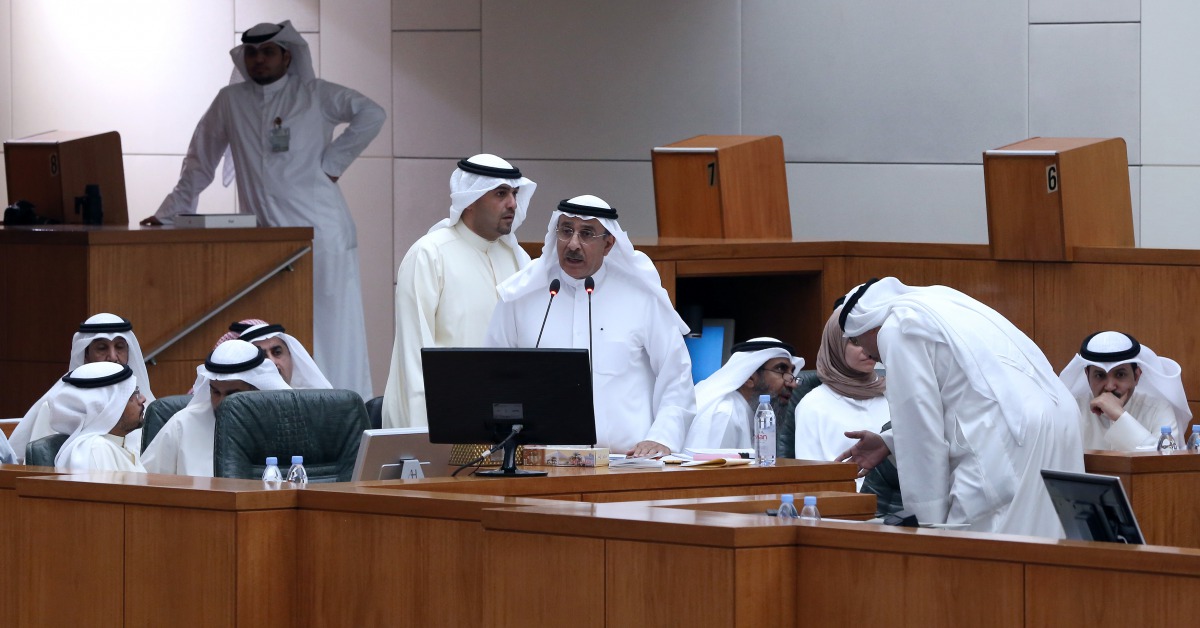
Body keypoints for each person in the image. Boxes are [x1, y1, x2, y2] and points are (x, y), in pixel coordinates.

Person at [143, 20, 385, 399]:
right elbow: (200, 159)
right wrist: (172, 211)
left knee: (334, 331)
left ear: (287, 55)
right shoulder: (230, 101)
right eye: (252, 53)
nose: (259, 60)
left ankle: (344, 409)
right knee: (277, 337)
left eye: (268, 52)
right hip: (267, 240)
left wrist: (332, 164)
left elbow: (371, 113)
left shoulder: (314, 94)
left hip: (323, 233)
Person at [835, 277, 1084, 538]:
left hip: (1010, 440)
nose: (865, 352)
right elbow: (967, 392)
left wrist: (927, 528)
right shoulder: (943, 302)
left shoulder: (897, 328)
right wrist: (889, 442)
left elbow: (920, 435)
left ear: (869, 327)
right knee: (1046, 546)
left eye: (856, 339)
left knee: (982, 556)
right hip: (1059, 422)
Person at [486, 195, 696, 457]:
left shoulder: (642, 298)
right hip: (539, 464)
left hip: (625, 465)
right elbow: (494, 376)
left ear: (608, 244)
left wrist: (662, 437)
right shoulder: (521, 296)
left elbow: (676, 376)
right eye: (566, 231)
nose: (573, 244)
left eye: (586, 234)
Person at [382, 154, 537, 428]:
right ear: (470, 201)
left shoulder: (517, 259)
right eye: (500, 193)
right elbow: (415, 353)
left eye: (514, 193)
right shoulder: (430, 254)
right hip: (443, 417)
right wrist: (425, 435)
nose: (512, 203)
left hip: (503, 421)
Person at [10, 313, 156, 462]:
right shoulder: (58, 406)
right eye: (102, 348)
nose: (113, 357)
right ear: (85, 354)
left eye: (119, 347)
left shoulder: (144, 405)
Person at [142, 340, 290, 477]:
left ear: (256, 390)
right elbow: (145, 483)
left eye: (232, 395)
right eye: (216, 392)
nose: (221, 403)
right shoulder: (182, 425)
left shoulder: (283, 426)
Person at [1059, 331, 1190, 451]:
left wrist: (1120, 416)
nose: (1109, 386)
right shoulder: (1073, 411)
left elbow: (1163, 462)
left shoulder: (1158, 409)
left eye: (1120, 375)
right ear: (1087, 376)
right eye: (1100, 375)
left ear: (1137, 376)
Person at [793, 307, 889, 465]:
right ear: (835, 344)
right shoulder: (813, 406)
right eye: (855, 341)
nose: (867, 350)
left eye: (872, 340)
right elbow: (811, 477)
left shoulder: (894, 394)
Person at [683, 338, 803, 449]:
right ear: (749, 377)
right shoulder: (724, 415)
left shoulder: (755, 414)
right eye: (781, 369)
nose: (793, 384)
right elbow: (706, 471)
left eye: (792, 372)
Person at [51, 362, 147, 473]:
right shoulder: (96, 450)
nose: (142, 399)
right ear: (109, 406)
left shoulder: (117, 444)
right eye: (134, 394)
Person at [237, 322, 332, 389]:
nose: (272, 362)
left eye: (277, 352)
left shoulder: (315, 402)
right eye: (262, 356)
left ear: (291, 356)